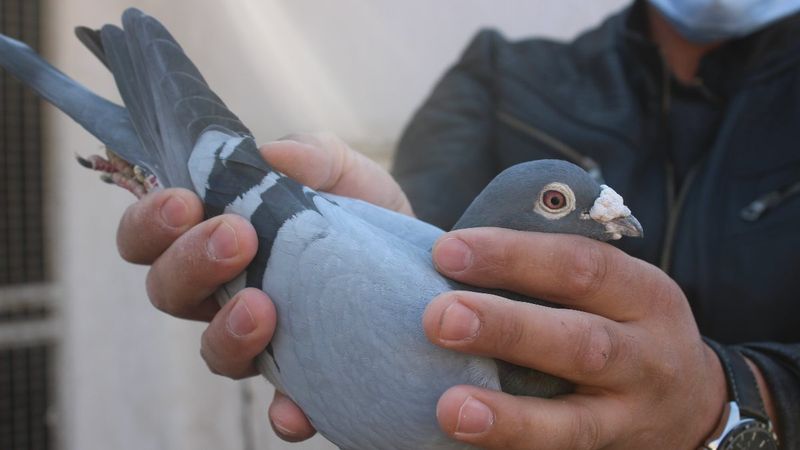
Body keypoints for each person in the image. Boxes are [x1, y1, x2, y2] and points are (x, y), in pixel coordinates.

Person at [116, 0, 800, 448]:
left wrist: (731, 404)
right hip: (309, 244)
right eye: (561, 203)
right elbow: (427, 246)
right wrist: (370, 286)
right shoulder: (499, 76)